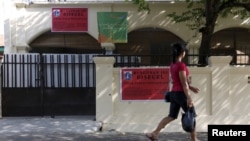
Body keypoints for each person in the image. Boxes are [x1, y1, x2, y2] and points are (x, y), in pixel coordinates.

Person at [145, 42, 200, 141]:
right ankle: (194, 139)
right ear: (183, 53)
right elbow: (183, 83)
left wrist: (191, 87)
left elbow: (177, 81)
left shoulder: (173, 65)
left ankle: (154, 133)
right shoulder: (181, 66)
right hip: (181, 94)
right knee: (191, 114)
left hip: (174, 94)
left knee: (171, 116)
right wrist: (189, 97)